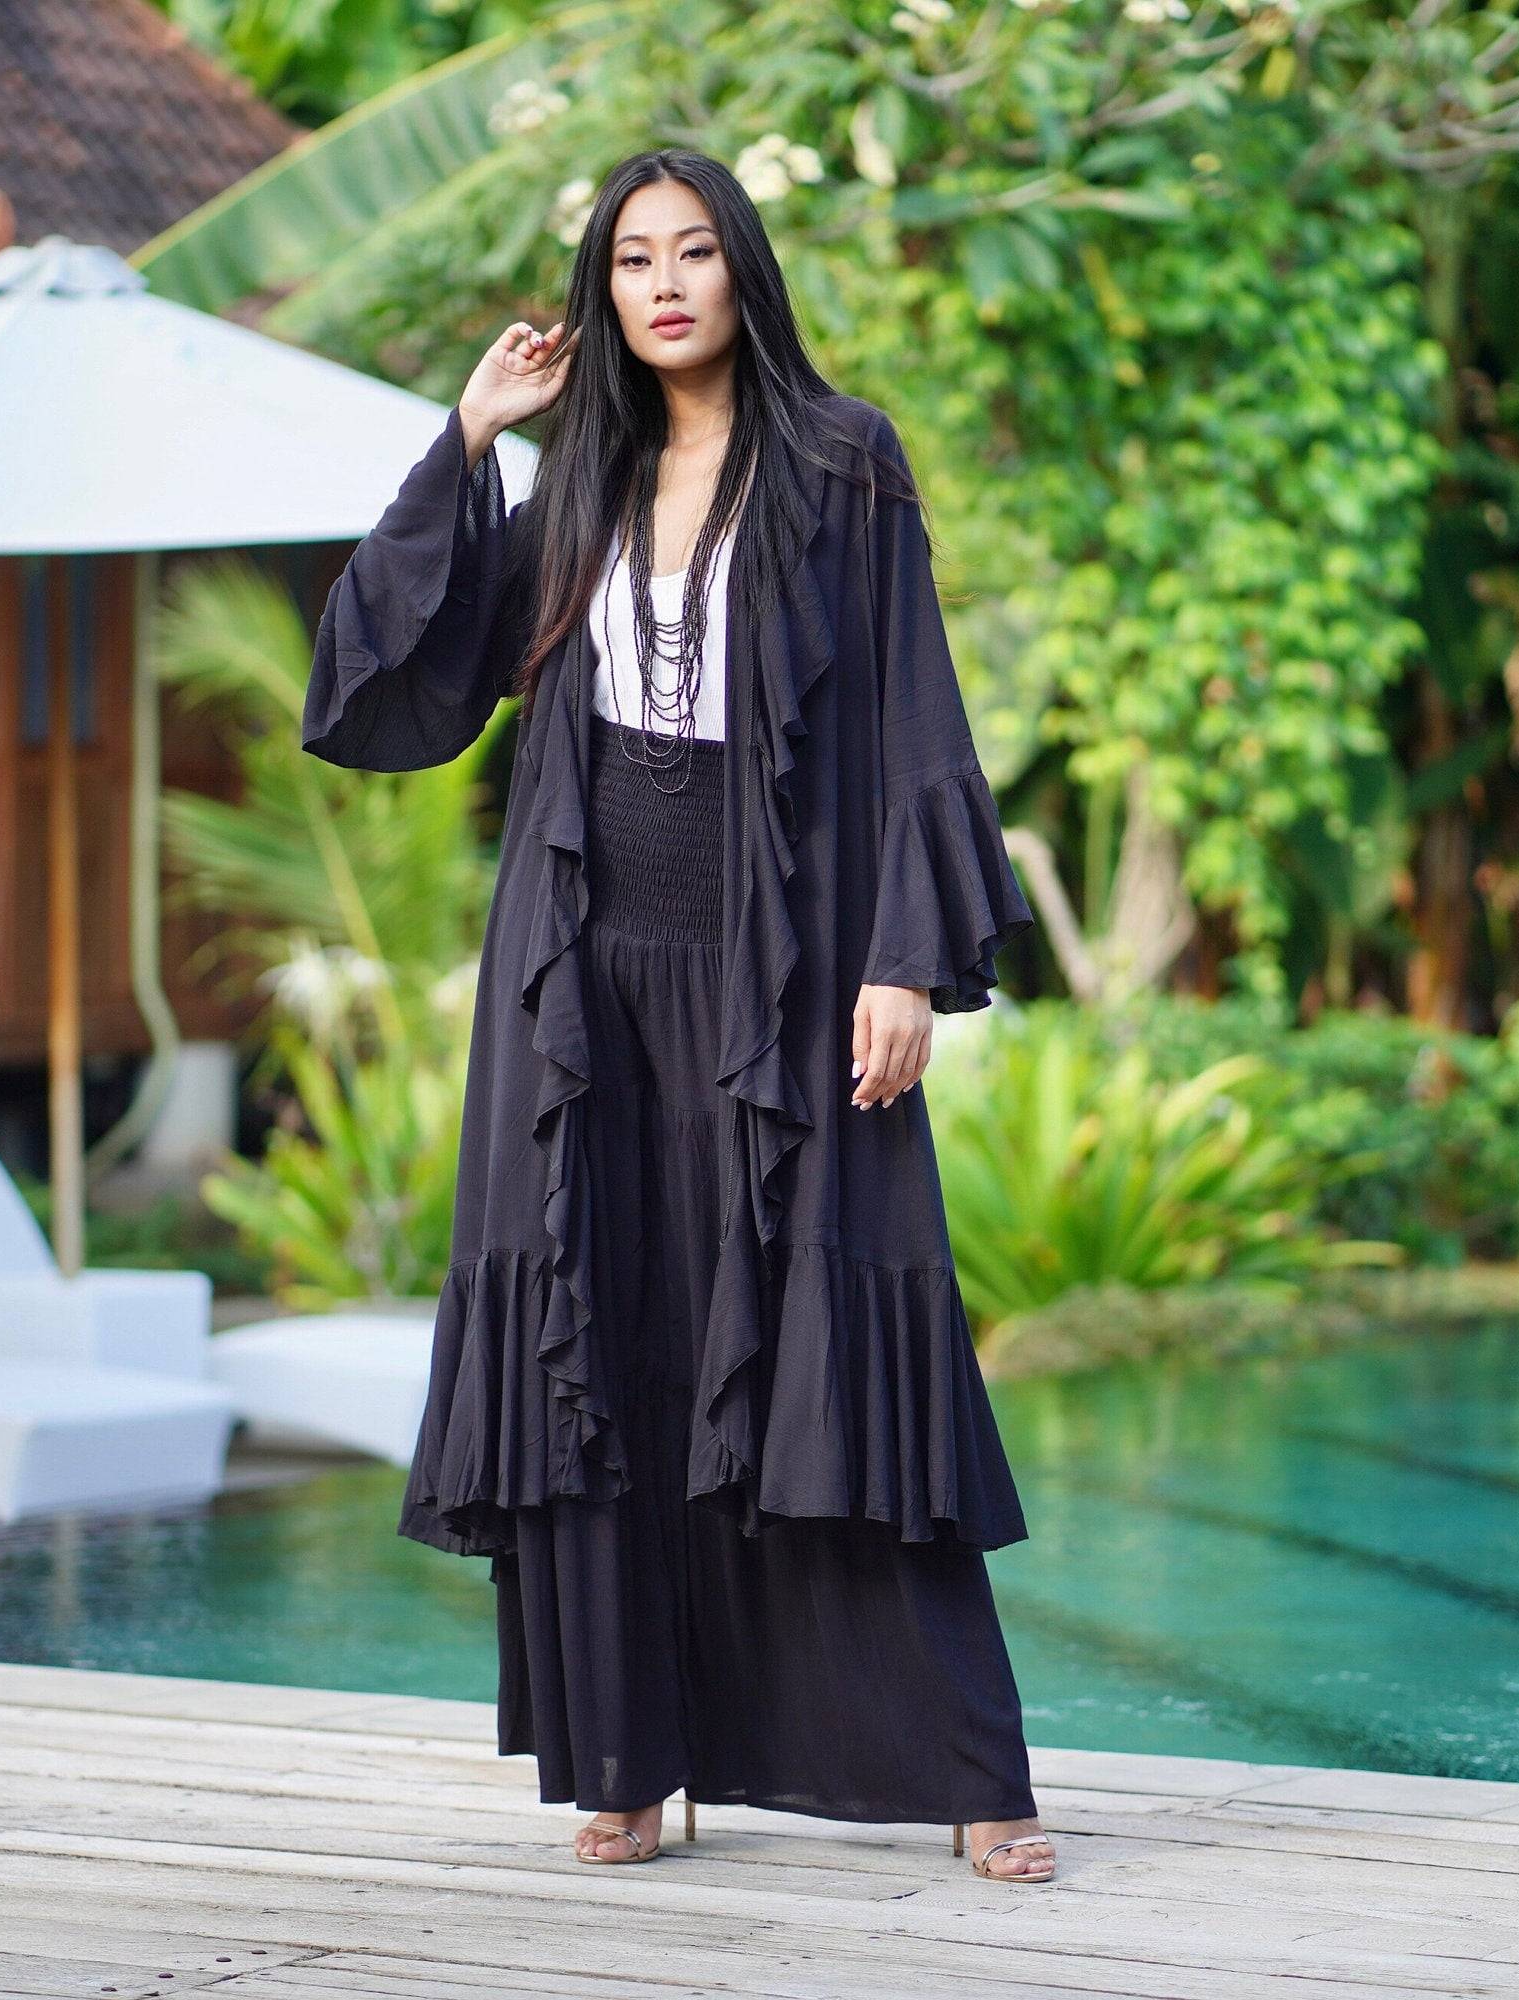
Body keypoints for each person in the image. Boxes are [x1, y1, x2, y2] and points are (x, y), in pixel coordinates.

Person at [302, 146, 1054, 1885]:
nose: (663, 284)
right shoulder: (570, 481)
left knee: (823, 1334)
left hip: (780, 963)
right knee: (607, 1336)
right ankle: (624, 1758)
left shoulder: (841, 460)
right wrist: (469, 439)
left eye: (693, 252)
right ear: (601, 288)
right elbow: (377, 692)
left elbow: (912, 718)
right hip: (582, 975)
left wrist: (903, 960)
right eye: (632, 256)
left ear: (742, 273)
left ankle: (972, 1775)